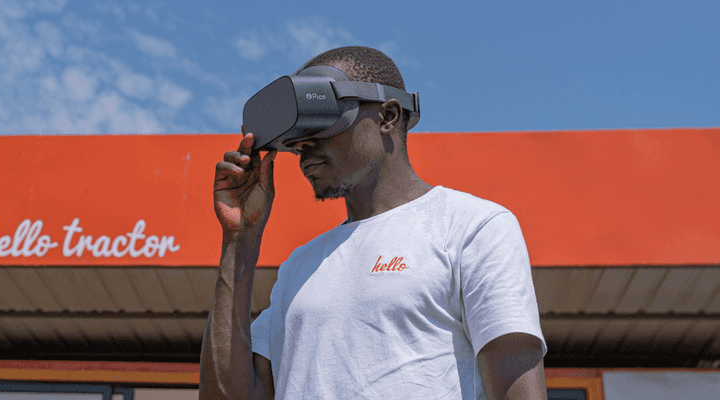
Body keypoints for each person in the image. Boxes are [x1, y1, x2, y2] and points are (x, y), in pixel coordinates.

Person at [200, 46, 547, 400]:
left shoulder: (473, 227)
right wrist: (239, 241)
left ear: (388, 117)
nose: (304, 144)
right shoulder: (298, 268)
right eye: (296, 137)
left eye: (321, 120)